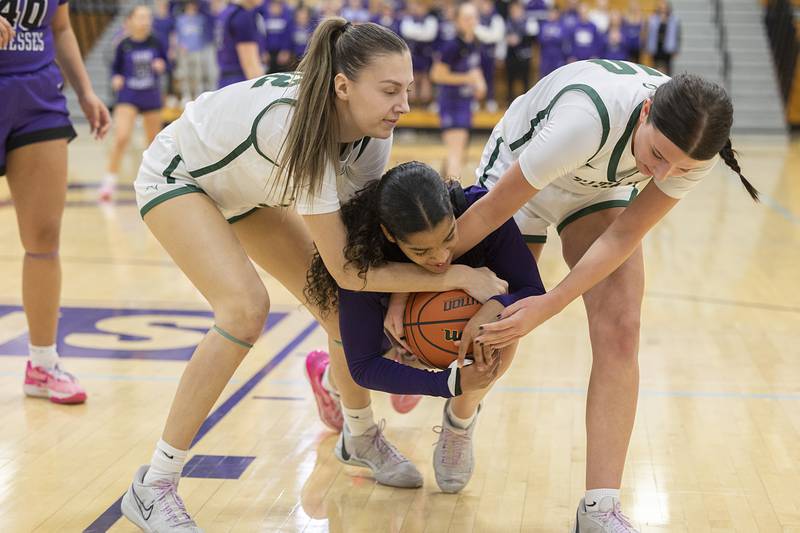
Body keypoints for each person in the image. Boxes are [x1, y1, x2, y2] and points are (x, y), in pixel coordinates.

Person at [120, 19, 506, 531]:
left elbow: (361, 248)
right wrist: (452, 278)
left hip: (249, 190)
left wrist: (397, 310)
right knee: (245, 309)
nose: (405, 105)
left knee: (342, 316)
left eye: (407, 90)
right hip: (182, 176)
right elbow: (348, 271)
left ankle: (359, 436)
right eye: (390, 90)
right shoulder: (292, 127)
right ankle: (154, 485)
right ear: (342, 87)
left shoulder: (372, 138)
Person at [403, 59, 758, 532]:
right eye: (658, 155)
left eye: (681, 167)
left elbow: (621, 236)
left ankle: (599, 509)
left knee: (621, 329)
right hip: (521, 183)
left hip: (597, 191)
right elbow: (490, 214)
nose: (665, 172)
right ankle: (461, 415)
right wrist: (413, 285)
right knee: (495, 337)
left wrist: (550, 304)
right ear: (647, 109)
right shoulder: (585, 119)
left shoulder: (692, 151)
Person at [305, 161, 546, 493]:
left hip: (437, 326)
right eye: (421, 251)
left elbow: (531, 290)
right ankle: (331, 379)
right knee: (350, 342)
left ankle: (459, 424)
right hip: (389, 324)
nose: (441, 257)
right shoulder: (365, 250)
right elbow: (363, 367)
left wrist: (494, 307)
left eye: (449, 238)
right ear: (391, 235)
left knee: (503, 331)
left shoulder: (478, 209)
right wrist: (446, 383)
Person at [1, 0, 111, 403]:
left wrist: (84, 91)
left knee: (44, 237)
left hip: (37, 97)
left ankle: (42, 365)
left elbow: (61, 27)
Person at [100, 5, 168, 201]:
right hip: (129, 95)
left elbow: (168, 63)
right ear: (130, 21)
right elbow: (115, 68)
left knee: (154, 143)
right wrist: (116, 77)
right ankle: (109, 182)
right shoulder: (123, 44)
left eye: (148, 17)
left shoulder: (156, 41)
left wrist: (162, 65)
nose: (145, 21)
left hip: (151, 95)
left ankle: (155, 184)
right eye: (140, 17)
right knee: (121, 137)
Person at [430, 2, 485, 178]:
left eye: (474, 17)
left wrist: (479, 83)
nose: (471, 21)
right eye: (467, 18)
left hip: (466, 102)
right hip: (451, 102)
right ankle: (455, 197)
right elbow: (437, 75)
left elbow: (475, 69)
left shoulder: (474, 43)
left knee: (459, 153)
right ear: (457, 21)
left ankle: (441, 189)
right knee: (456, 152)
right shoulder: (452, 46)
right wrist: (468, 79)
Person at [215, 0, 265, 88]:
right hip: (241, 81)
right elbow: (250, 65)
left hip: (225, 79)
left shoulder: (226, 12)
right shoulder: (243, 16)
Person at [646, 0, 680, 75]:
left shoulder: (674, 20)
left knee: (668, 68)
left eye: (664, 8)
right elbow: (649, 34)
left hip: (668, 47)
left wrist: (677, 48)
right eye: (661, 8)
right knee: (655, 67)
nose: (663, 9)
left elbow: (677, 35)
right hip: (656, 46)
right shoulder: (653, 19)